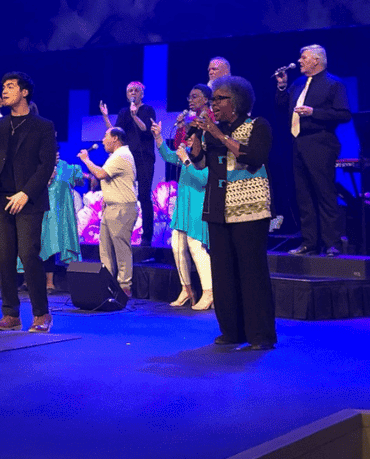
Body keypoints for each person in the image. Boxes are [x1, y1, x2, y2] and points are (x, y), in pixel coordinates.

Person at [189, 75, 277, 349]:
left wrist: (218, 135)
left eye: (219, 99)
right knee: (223, 273)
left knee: (252, 273)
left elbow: (254, 157)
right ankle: (232, 331)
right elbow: (202, 163)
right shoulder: (212, 130)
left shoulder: (257, 125)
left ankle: (260, 335)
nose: (213, 104)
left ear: (236, 101)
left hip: (249, 210)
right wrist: (196, 139)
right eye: (213, 100)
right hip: (218, 208)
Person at [0, 73, 56, 332]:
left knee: (28, 255)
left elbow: (46, 166)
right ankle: (11, 314)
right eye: (3, 87)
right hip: (1, 198)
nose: (4, 91)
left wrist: (26, 193)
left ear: (25, 92)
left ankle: (42, 314)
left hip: (28, 200)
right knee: (4, 257)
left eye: (10, 87)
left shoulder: (43, 126)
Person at [275, 45, 352, 257]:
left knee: (325, 193)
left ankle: (332, 243)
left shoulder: (333, 84)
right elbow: (282, 108)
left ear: (316, 61)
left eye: (304, 58)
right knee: (304, 195)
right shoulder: (299, 84)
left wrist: (313, 112)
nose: (299, 61)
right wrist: (282, 87)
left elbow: (344, 114)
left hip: (321, 143)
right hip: (298, 144)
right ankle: (309, 243)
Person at [151, 108, 213, 310]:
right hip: (183, 205)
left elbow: (203, 180)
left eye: (190, 136)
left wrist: (186, 160)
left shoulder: (208, 154)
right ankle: (186, 289)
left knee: (196, 247)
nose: (187, 139)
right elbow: (169, 156)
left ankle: (209, 292)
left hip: (198, 204)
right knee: (177, 247)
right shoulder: (185, 152)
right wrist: (159, 138)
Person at [79, 128, 138, 297]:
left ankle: (124, 286)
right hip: (112, 207)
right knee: (104, 248)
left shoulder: (121, 155)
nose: (103, 140)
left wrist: (86, 160)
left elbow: (100, 174)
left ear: (116, 138)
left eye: (106, 137)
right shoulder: (116, 156)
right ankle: (108, 284)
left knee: (121, 248)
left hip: (122, 208)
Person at [100, 82, 156, 246]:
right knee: (125, 195)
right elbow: (115, 133)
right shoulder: (124, 112)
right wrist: (105, 116)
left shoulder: (148, 110)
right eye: (130, 91)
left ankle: (147, 237)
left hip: (145, 158)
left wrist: (135, 116)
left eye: (136, 90)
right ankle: (124, 233)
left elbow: (146, 129)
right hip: (127, 159)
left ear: (142, 94)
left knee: (144, 196)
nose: (133, 93)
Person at [39, 151, 86, 293]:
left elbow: (79, 179)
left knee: (50, 245)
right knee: (34, 246)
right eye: (54, 151)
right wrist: (45, 180)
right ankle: (29, 281)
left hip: (56, 214)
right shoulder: (37, 166)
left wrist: (87, 175)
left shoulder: (64, 168)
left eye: (58, 151)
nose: (57, 154)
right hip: (38, 211)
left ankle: (49, 282)